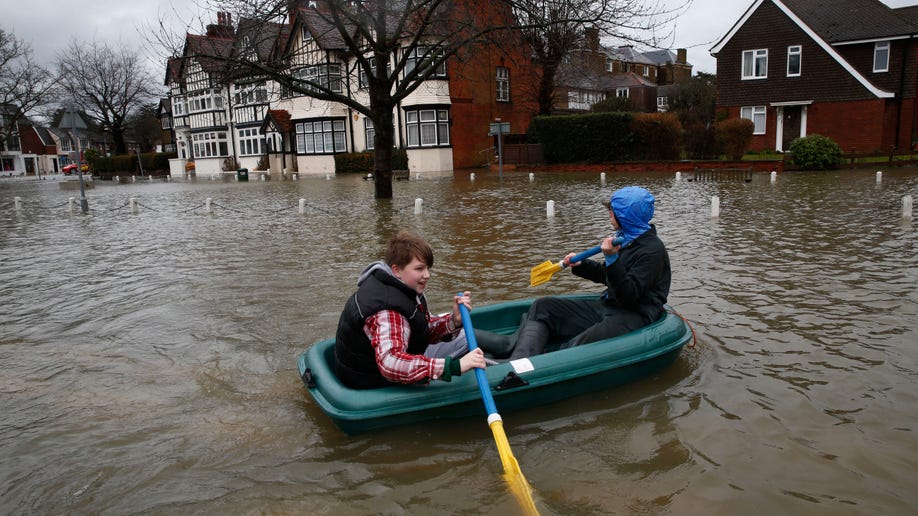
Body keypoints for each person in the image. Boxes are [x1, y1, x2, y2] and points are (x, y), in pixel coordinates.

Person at [475, 186, 671, 359]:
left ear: (627, 217)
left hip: (634, 314)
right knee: (543, 307)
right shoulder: (626, 238)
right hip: (610, 305)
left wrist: (612, 259)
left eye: (612, 213)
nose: (609, 216)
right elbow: (609, 277)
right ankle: (516, 354)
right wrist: (582, 265)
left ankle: (532, 363)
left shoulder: (652, 251)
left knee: (577, 346)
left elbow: (628, 295)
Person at [334, 230, 487, 389]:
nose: (427, 275)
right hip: (373, 380)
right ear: (397, 270)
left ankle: (499, 351)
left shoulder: (401, 286)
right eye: (419, 269)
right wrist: (454, 367)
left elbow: (421, 329)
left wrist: (453, 321)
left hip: (368, 367)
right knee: (465, 343)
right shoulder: (387, 310)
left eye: (428, 268)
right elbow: (391, 363)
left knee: (461, 335)